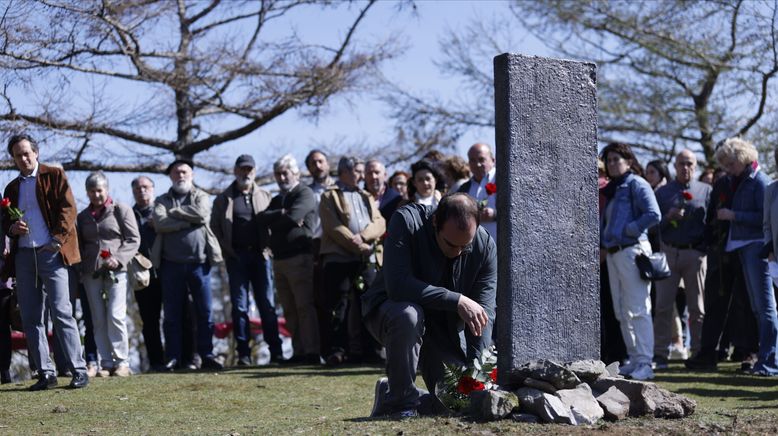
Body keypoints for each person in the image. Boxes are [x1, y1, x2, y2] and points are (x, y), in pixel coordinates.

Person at [363, 193, 496, 418]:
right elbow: (398, 286)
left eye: (466, 246)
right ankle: (401, 404)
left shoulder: (484, 247)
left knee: (459, 403)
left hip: (442, 331)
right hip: (392, 313)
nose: (458, 253)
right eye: (451, 244)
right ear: (435, 222)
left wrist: (477, 376)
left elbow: (483, 316)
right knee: (409, 315)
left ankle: (392, 393)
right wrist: (457, 300)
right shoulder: (406, 221)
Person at [1, 134, 88, 390]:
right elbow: (4, 221)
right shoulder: (12, 188)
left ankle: (78, 370)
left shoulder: (54, 175)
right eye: (18, 155)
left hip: (52, 253)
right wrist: (12, 227)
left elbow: (68, 210)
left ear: (36, 153)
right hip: (24, 256)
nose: (23, 158)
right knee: (30, 316)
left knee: (62, 312)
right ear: (14, 159)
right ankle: (45, 373)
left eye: (27, 153)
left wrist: (59, 240)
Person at [152, 158, 224, 371]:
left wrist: (175, 214)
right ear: (171, 176)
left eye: (184, 172)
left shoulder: (201, 196)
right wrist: (187, 221)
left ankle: (207, 354)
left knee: (205, 312)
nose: (180, 175)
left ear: (192, 174)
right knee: (172, 315)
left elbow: (202, 215)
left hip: (199, 263)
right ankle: (173, 357)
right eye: (176, 172)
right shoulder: (162, 199)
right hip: (170, 264)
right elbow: (159, 223)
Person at [211, 155, 283, 366]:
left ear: (255, 171)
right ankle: (243, 353)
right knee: (239, 307)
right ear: (235, 171)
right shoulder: (223, 198)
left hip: (261, 257)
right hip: (237, 258)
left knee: (267, 305)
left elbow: (273, 223)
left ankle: (276, 352)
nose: (246, 173)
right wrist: (227, 250)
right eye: (242, 169)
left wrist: (268, 249)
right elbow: (214, 227)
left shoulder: (265, 195)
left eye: (250, 169)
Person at [715, 138, 778, 376]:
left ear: (742, 158)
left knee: (765, 307)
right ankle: (768, 360)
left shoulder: (760, 181)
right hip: (744, 247)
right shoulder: (742, 180)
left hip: (756, 247)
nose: (728, 169)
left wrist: (733, 215)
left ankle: (770, 362)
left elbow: (765, 220)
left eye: (730, 164)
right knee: (757, 307)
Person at [600, 142, 661, 381]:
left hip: (632, 250)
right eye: (610, 160)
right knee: (621, 310)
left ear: (628, 161)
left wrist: (630, 229)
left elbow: (653, 214)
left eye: (617, 159)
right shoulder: (614, 188)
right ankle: (634, 359)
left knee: (638, 308)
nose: (613, 163)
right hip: (615, 253)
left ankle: (646, 362)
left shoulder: (636, 183)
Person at [319, 156, 386, 365]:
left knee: (369, 303)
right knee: (338, 305)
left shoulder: (365, 195)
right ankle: (337, 351)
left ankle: (371, 350)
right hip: (338, 259)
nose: (361, 175)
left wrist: (364, 238)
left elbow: (380, 222)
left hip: (366, 259)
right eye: (358, 170)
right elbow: (333, 226)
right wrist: (356, 243)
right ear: (345, 172)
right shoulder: (329, 196)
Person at [77, 171, 140, 377]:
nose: (96, 195)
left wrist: (118, 258)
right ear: (87, 193)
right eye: (92, 191)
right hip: (91, 272)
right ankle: (106, 362)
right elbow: (80, 244)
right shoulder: (83, 216)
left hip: (117, 271)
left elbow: (133, 239)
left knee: (115, 314)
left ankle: (122, 361)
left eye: (99, 190)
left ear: (107, 189)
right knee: (97, 318)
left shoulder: (121, 210)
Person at [257, 154, 320, 364]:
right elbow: (261, 218)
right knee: (289, 309)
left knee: (304, 306)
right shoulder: (278, 199)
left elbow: (293, 217)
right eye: (278, 174)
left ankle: (311, 352)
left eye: (285, 173)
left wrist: (279, 218)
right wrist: (281, 214)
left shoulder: (305, 192)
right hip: (280, 259)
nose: (281, 177)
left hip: (299, 257)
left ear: (296, 173)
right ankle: (298, 351)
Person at [652, 150, 711, 369]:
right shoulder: (663, 192)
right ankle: (659, 354)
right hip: (669, 252)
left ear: (695, 166)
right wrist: (668, 218)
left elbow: (712, 223)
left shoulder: (706, 190)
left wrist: (702, 249)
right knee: (663, 306)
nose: (685, 168)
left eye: (690, 163)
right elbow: (653, 225)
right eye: (681, 164)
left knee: (697, 308)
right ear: (674, 166)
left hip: (695, 254)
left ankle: (697, 352)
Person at [458, 143, 497, 239]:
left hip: (502, 246)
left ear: (492, 160)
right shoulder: (464, 188)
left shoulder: (503, 180)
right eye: (472, 160)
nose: (477, 164)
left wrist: (495, 214)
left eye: (481, 159)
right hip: (476, 247)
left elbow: (519, 209)